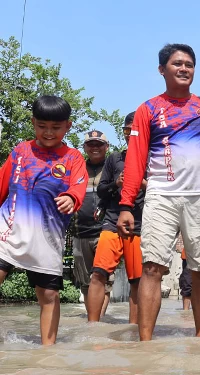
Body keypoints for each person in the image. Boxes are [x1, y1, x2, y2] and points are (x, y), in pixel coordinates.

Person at [116, 43, 200, 341]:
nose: (184, 69)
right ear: (162, 69)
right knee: (152, 268)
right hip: (161, 196)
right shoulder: (148, 109)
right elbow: (135, 159)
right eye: (177, 64)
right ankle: (146, 344)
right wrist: (125, 204)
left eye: (189, 64)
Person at [0, 95, 88, 345]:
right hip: (8, 228)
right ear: (33, 122)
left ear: (68, 126)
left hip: (47, 237)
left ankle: (48, 352)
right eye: (42, 126)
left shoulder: (73, 158)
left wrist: (72, 197)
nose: (48, 132)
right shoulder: (20, 150)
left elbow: (78, 185)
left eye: (56, 127)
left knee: (48, 293)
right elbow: (2, 183)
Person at [87, 112, 146, 324]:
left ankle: (134, 330)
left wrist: (141, 183)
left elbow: (164, 193)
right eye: (127, 130)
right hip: (111, 221)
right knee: (98, 274)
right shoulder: (114, 159)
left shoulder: (153, 158)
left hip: (138, 225)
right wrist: (117, 184)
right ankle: (91, 329)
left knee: (137, 281)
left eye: (135, 130)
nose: (131, 134)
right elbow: (101, 190)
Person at [72, 129, 110, 317]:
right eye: (90, 144)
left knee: (103, 280)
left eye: (99, 144)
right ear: (85, 147)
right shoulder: (77, 168)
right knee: (86, 283)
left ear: (106, 147)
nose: (95, 147)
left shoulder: (113, 167)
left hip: (106, 232)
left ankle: (98, 322)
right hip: (80, 233)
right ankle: (91, 321)